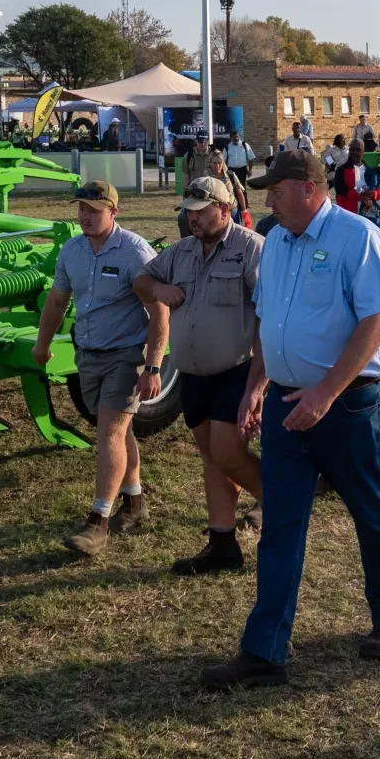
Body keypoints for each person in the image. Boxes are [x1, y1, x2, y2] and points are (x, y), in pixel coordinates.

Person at [201, 148, 380, 690]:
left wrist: (325, 392)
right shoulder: (275, 245)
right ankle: (264, 652)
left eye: (275, 187)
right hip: (286, 405)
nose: (266, 196)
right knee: (281, 523)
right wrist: (255, 387)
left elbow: (377, 322)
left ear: (309, 188)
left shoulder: (357, 237)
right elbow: (270, 322)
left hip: (348, 405)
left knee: (371, 509)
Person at [135, 176, 266, 576]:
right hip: (193, 376)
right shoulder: (181, 253)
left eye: (200, 212)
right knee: (212, 459)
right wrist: (159, 289)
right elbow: (140, 280)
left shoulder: (249, 249)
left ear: (224, 209)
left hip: (235, 372)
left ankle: (283, 498)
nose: (192, 220)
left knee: (227, 453)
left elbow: (267, 316)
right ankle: (222, 545)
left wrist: (258, 384)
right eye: (188, 212)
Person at [32, 180, 169, 556]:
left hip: (125, 355)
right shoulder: (71, 250)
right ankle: (135, 500)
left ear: (114, 211)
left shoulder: (134, 253)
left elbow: (159, 311)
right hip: (87, 354)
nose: (85, 217)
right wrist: (42, 346)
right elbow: (58, 300)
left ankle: (98, 521)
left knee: (109, 432)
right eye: (81, 209)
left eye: (93, 211)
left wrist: (153, 366)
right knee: (117, 430)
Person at [331, 140, 367, 215]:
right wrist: (361, 195)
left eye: (358, 150)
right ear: (349, 151)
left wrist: (373, 194)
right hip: (347, 215)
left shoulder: (369, 170)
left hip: (366, 214)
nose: (355, 152)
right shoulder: (341, 170)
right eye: (352, 150)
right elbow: (340, 189)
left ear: (363, 151)